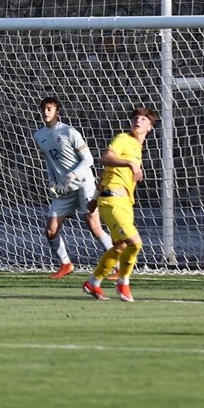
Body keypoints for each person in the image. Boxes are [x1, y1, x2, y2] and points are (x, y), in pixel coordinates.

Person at [33, 97, 115, 278]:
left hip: (83, 183)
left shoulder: (70, 132)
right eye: (43, 109)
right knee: (50, 230)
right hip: (63, 188)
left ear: (57, 112)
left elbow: (89, 159)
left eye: (49, 109)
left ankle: (116, 264)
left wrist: (70, 176)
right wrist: (51, 181)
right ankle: (66, 264)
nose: (46, 112)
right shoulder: (39, 136)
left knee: (92, 224)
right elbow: (49, 161)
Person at [82, 106, 156, 302]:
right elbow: (105, 158)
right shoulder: (123, 139)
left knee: (120, 248)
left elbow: (107, 173)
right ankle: (123, 283)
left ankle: (93, 283)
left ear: (149, 127)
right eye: (136, 118)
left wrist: (94, 199)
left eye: (144, 119)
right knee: (135, 243)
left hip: (123, 203)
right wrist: (131, 165)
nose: (138, 121)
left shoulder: (137, 148)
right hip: (113, 201)